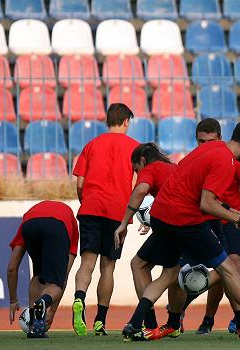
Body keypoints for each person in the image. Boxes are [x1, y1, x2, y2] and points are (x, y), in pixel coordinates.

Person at [121, 121, 240, 342]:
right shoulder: (225, 161)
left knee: (169, 273)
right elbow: (207, 203)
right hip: (185, 219)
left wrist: (238, 212)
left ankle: (134, 324)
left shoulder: (208, 149)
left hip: (161, 215)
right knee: (228, 268)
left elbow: (191, 184)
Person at [71, 103, 139, 336]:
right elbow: (138, 185)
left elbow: (80, 183)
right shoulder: (135, 148)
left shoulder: (91, 145)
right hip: (117, 213)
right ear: (126, 121)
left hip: (90, 208)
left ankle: (79, 298)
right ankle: (100, 320)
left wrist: (86, 201)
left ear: (107, 120)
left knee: (86, 263)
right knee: (108, 267)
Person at [112, 143, 176, 339]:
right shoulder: (175, 168)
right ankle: (173, 323)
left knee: (143, 266)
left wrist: (124, 223)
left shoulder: (151, 168)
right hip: (187, 222)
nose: (137, 173)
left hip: (174, 223)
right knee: (176, 272)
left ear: (142, 160)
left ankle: (148, 324)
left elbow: (140, 191)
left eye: (136, 170)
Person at [7, 200, 80, 338]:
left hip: (30, 223)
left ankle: (35, 326)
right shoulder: (71, 224)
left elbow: (12, 267)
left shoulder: (26, 223)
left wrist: (13, 300)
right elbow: (63, 277)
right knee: (55, 282)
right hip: (58, 225)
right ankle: (42, 303)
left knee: (38, 274)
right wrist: (51, 311)